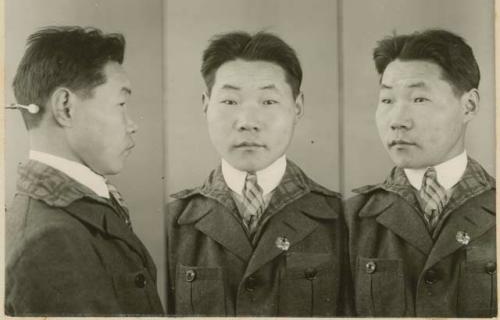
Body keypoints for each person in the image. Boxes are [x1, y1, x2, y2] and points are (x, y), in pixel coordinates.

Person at [165, 31, 350, 316]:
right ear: (205, 104)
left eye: (268, 102)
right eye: (230, 101)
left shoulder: (340, 218)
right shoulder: (172, 222)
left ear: (297, 107)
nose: (248, 122)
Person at [5, 26, 164, 316]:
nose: (132, 124)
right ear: (65, 107)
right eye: (121, 104)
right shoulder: (49, 240)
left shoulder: (64, 213)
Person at [345, 29, 496, 317]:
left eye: (419, 99)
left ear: (469, 105)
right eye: (387, 100)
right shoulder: (350, 221)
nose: (397, 121)